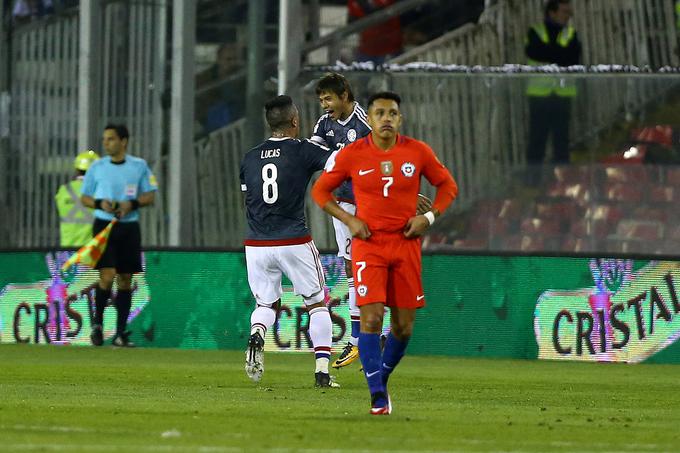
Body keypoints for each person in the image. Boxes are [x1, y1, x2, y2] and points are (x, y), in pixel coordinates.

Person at [311, 91, 458, 414]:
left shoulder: (417, 152)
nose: (386, 118)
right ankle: (377, 395)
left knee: (404, 326)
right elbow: (320, 191)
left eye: (392, 113)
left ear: (400, 119)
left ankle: (381, 377)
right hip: (369, 246)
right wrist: (350, 219)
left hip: (406, 244)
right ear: (371, 118)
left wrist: (428, 217)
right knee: (372, 317)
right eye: (380, 113)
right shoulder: (353, 154)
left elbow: (448, 186)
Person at [240, 95, 338, 388]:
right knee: (316, 302)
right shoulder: (302, 150)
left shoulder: (249, 157)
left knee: (266, 303)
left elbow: (247, 195)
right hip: (294, 238)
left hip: (256, 243)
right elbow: (337, 162)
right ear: (295, 121)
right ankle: (322, 372)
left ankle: (258, 332)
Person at [311, 72, 372, 369]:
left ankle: (368, 337)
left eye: (329, 98)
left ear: (345, 95)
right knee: (351, 265)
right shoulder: (324, 124)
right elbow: (313, 154)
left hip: (369, 204)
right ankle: (361, 339)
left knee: (367, 266)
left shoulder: (364, 123)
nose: (325, 104)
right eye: (321, 99)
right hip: (342, 203)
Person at [80, 124, 158, 347]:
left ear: (123, 141)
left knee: (125, 278)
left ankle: (121, 334)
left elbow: (150, 196)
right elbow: (84, 198)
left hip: (128, 227)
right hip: (104, 226)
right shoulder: (97, 167)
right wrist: (99, 203)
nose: (106, 143)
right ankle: (98, 325)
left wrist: (131, 203)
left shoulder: (139, 166)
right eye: (105, 139)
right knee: (107, 275)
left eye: (111, 139)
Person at [525, 0, 581, 169]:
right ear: (552, 12)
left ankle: (561, 180)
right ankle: (533, 180)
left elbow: (572, 58)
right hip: (540, 95)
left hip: (562, 94)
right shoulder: (535, 32)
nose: (567, 17)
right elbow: (534, 52)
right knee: (537, 139)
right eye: (564, 12)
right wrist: (559, 55)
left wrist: (550, 53)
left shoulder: (570, 33)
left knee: (561, 140)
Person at [55, 150, 100, 247]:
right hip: (91, 251)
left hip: (66, 249)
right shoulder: (100, 191)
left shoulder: (63, 190)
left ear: (77, 170)